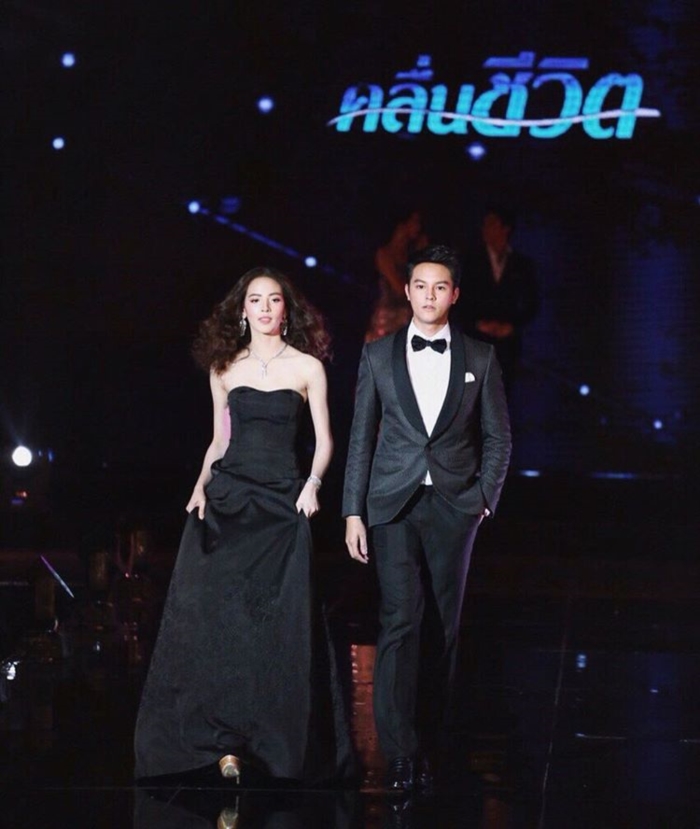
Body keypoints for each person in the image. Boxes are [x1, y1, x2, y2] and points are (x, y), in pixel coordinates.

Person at [134, 266, 354, 784]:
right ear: (242, 310)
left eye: (274, 299)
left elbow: (325, 440)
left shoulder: (307, 367)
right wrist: (199, 486)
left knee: (277, 620)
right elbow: (219, 441)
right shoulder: (224, 367)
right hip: (231, 498)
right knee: (219, 617)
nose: (265, 308)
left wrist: (313, 484)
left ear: (286, 309)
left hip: (281, 504)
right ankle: (222, 738)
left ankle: (269, 740)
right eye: (255, 300)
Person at [343, 244, 511, 792]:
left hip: (455, 506)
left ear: (454, 294)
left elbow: (499, 437)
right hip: (392, 503)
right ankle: (398, 750)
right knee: (400, 620)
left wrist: (484, 497)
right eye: (420, 286)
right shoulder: (378, 355)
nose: (429, 295)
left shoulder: (480, 357)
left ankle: (431, 741)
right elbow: (361, 438)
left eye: (440, 287)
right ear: (408, 290)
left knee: (443, 628)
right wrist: (352, 510)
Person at [454, 206, 539, 391]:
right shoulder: (470, 260)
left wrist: (512, 326)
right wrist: (476, 323)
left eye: (492, 224)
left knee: (502, 392)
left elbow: (532, 302)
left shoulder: (521, 265)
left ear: (505, 228)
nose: (486, 229)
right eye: (485, 224)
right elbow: (458, 298)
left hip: (506, 345)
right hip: (476, 340)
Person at [365, 209, 429, 342]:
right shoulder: (385, 254)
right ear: (402, 225)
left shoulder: (410, 255)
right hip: (386, 322)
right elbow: (400, 289)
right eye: (415, 222)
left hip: (406, 321)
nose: (418, 227)